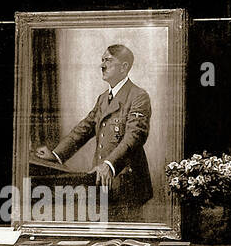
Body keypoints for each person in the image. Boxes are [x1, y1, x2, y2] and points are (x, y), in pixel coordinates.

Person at [35, 44, 154, 222]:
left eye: (108, 60)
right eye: (102, 60)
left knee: (125, 238)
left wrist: (109, 164)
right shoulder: (103, 98)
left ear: (124, 67)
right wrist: (56, 155)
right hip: (100, 182)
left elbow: (134, 136)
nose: (102, 65)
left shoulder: (138, 96)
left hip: (126, 184)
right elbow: (84, 129)